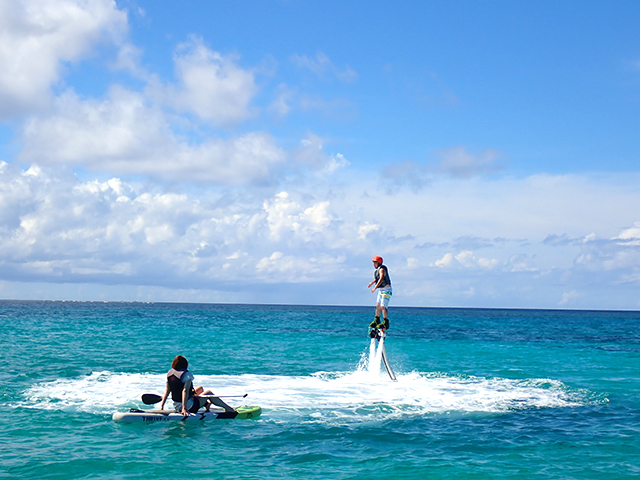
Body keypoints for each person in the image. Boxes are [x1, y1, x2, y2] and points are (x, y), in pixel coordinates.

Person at [160, 355, 234, 414]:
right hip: (189, 407)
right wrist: (184, 409)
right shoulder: (187, 375)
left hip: (176, 405)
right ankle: (228, 408)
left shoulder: (170, 374)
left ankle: (207, 404)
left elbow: (167, 390)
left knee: (200, 389)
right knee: (208, 393)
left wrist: (162, 406)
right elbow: (184, 391)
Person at [367, 256, 392, 332]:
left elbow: (381, 278)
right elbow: (377, 278)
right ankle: (376, 320)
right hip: (381, 290)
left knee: (383, 306)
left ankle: (385, 322)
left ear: (379, 263)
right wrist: (372, 282)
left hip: (387, 290)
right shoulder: (378, 270)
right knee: (378, 306)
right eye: (373, 263)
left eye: (375, 263)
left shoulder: (382, 269)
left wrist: (375, 287)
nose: (374, 264)